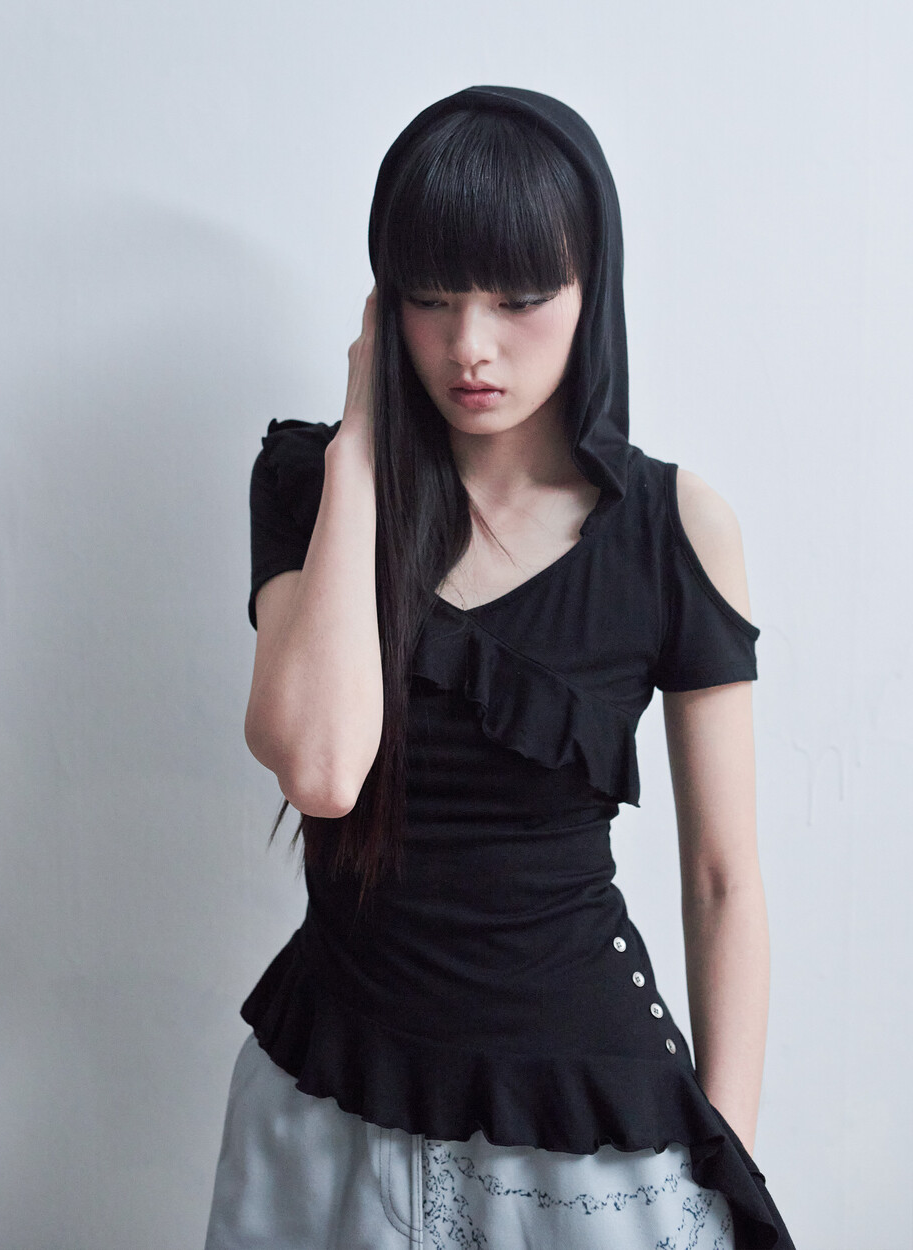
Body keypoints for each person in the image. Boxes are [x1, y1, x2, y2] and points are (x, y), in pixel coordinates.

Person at [204, 85, 796, 1249]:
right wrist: (360, 452)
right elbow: (320, 767)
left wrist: (726, 1148)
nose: (468, 346)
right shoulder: (311, 486)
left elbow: (723, 876)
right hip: (328, 1104)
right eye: (429, 299)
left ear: (590, 288)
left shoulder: (674, 527)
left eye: (518, 299)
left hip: (580, 1140)